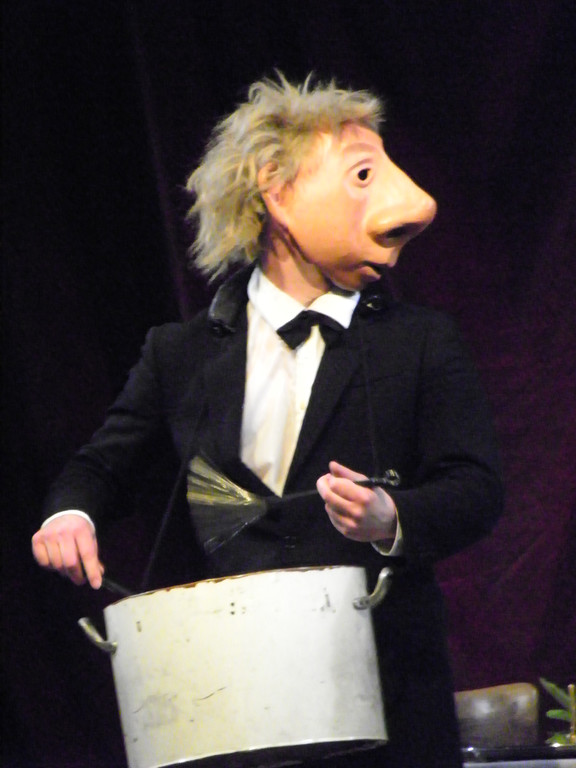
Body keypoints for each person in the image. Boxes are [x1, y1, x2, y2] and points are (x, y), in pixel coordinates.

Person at [32, 73, 503, 767]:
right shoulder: (182, 351)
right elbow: (103, 465)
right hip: (236, 704)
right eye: (361, 175)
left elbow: (477, 488)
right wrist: (70, 514)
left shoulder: (420, 341)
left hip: (388, 701)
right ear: (277, 192)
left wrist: (391, 516)